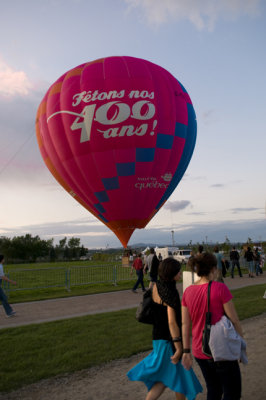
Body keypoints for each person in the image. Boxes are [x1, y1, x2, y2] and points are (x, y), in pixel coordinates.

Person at [127, 258, 202, 400]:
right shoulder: (170, 293)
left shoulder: (155, 286)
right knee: (179, 377)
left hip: (157, 338)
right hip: (169, 341)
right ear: (171, 274)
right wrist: (179, 347)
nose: (180, 273)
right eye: (178, 271)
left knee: (165, 378)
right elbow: (172, 322)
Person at [181, 253, 243, 400]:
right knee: (232, 391)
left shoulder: (188, 291)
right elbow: (234, 320)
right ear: (214, 269)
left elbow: (185, 324)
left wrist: (186, 350)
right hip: (221, 348)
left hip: (199, 349)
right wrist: (240, 343)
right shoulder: (220, 288)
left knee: (213, 389)